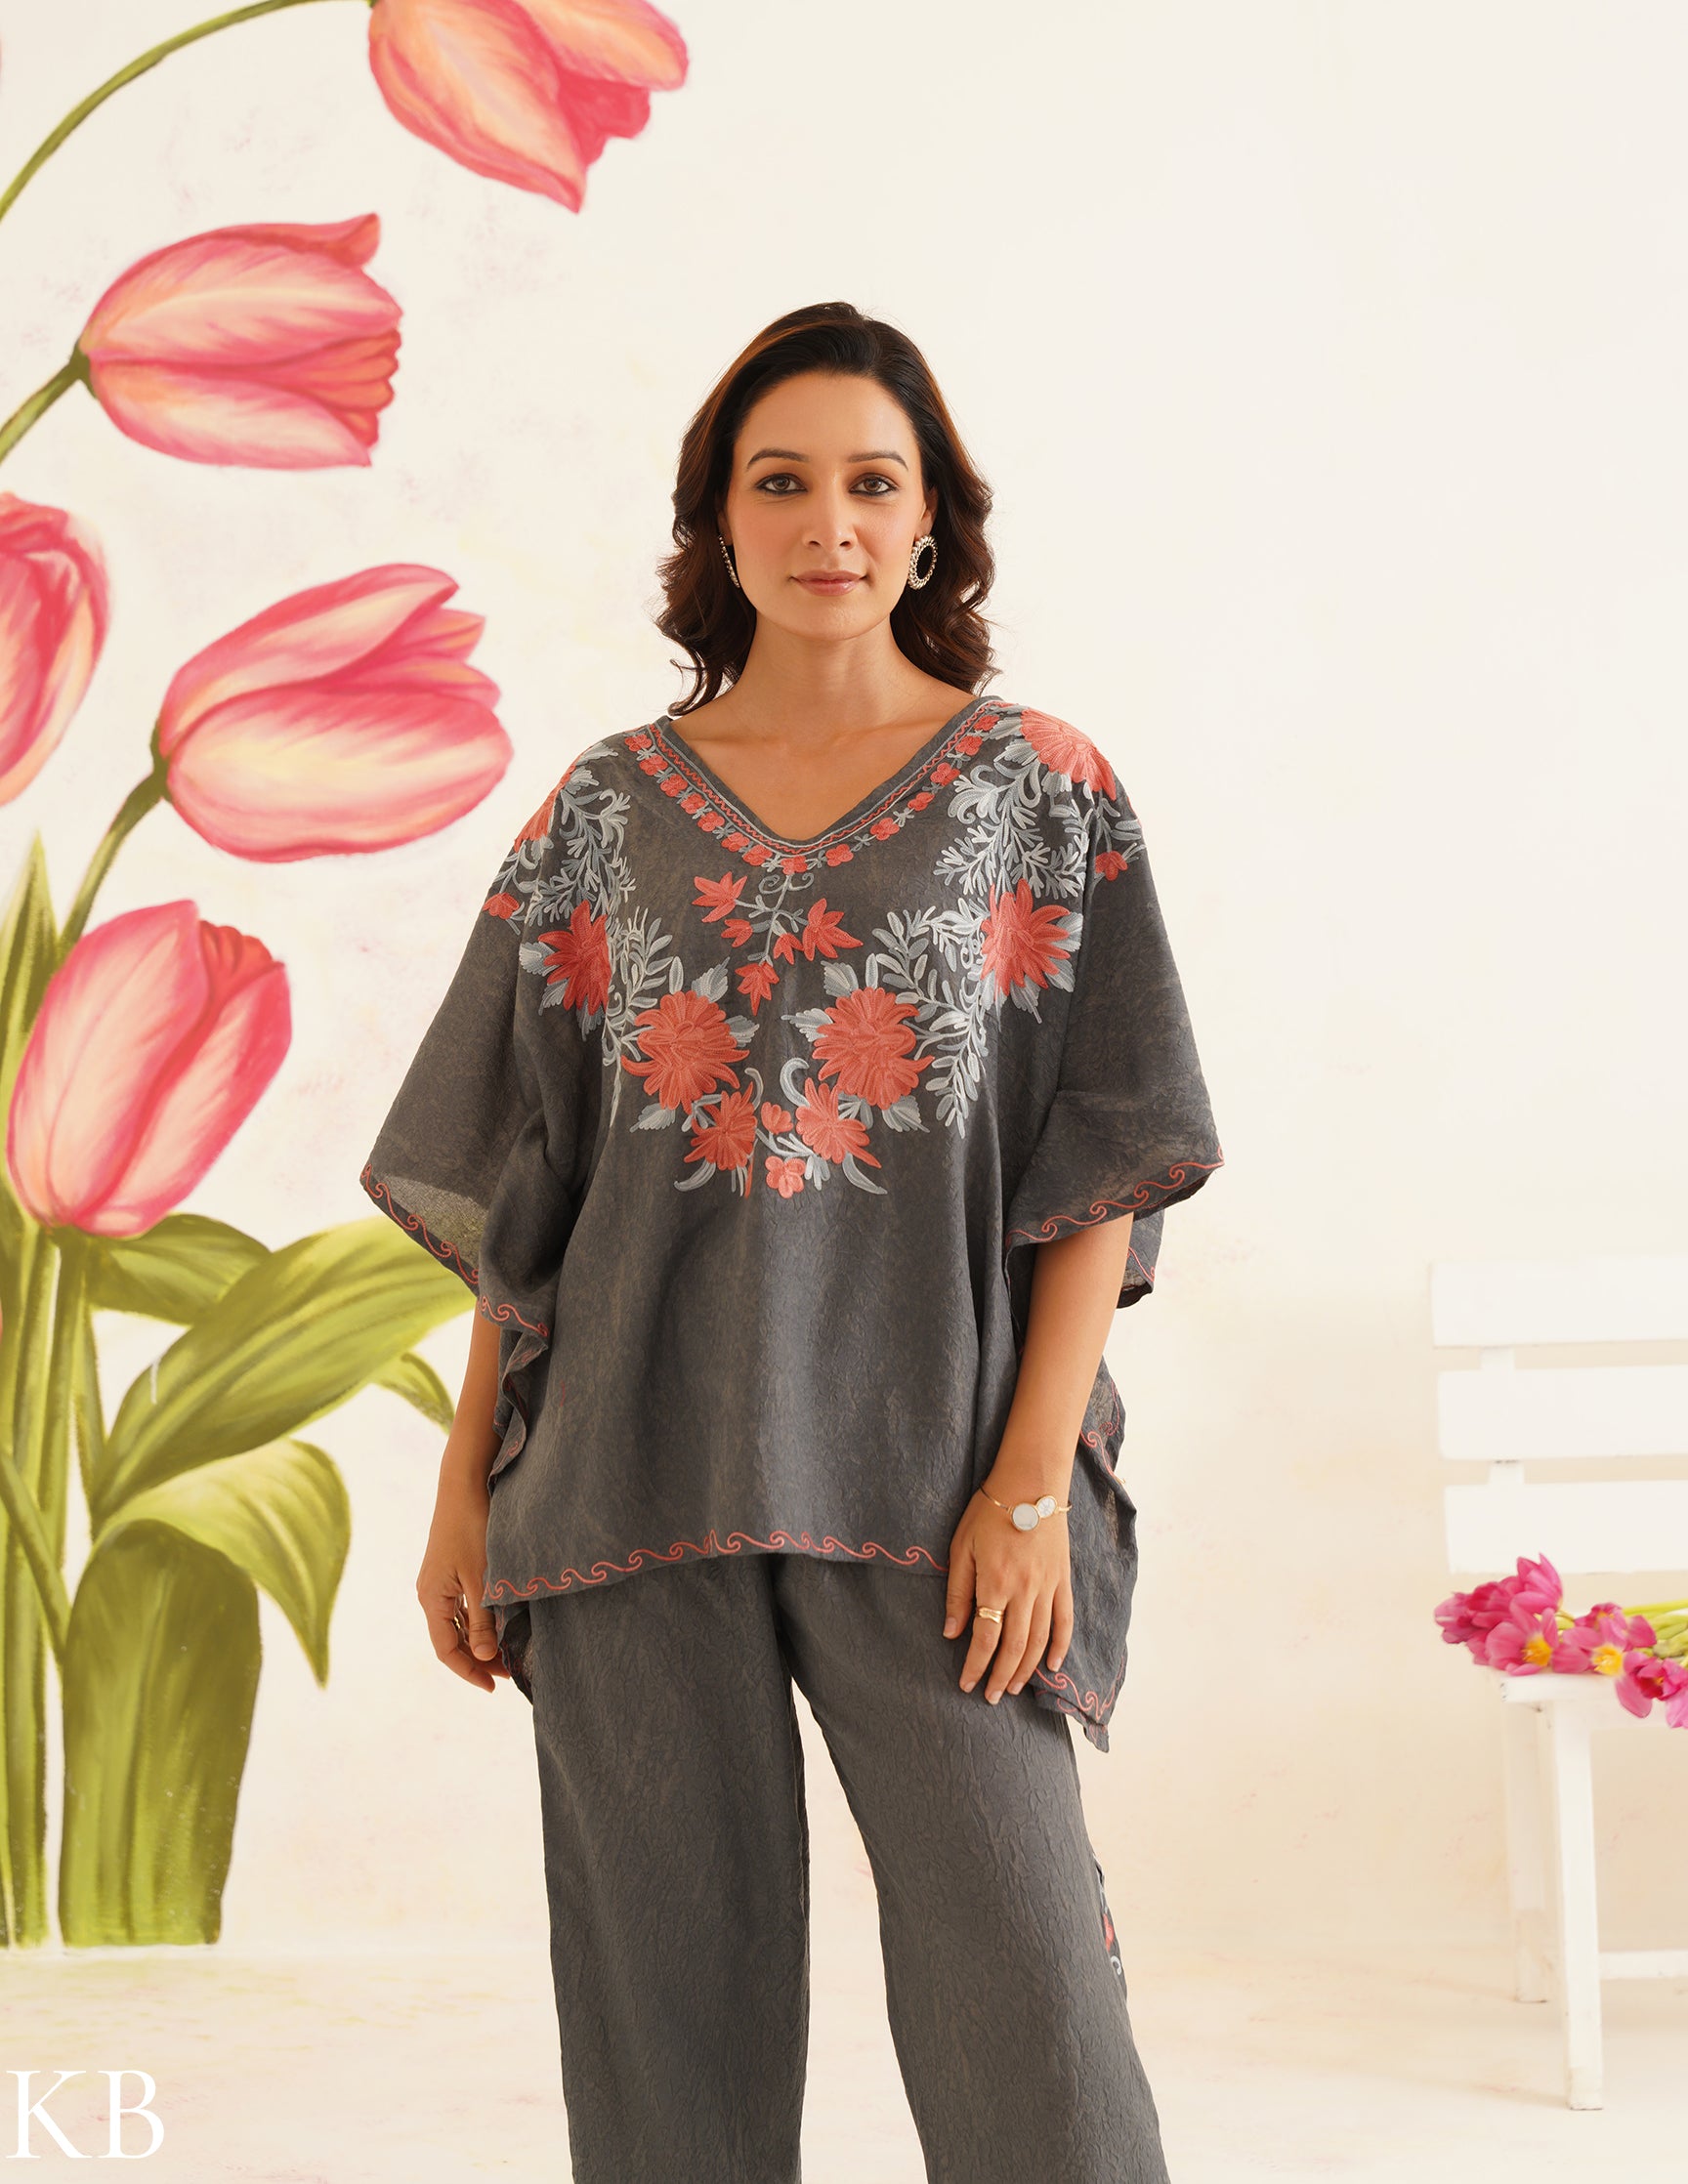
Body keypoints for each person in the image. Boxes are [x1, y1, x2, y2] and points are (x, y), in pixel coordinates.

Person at [360, 300, 1223, 2183]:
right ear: (718, 522)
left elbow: (1101, 1161)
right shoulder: (607, 814)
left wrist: (1027, 1489)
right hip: (622, 1473)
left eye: (872, 483)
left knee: (1033, 2011)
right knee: (662, 2032)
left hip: (932, 1478)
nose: (829, 521)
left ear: (930, 525)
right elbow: (532, 1183)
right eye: (781, 482)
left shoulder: (1039, 790)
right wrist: (463, 1489)